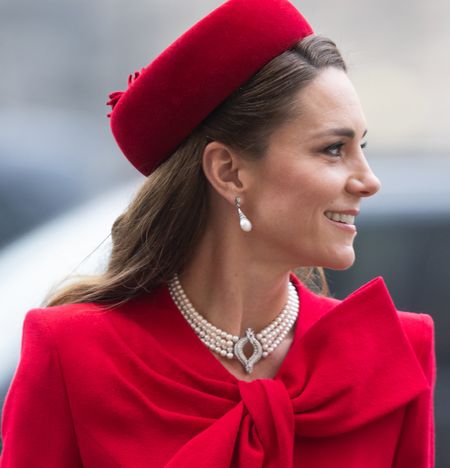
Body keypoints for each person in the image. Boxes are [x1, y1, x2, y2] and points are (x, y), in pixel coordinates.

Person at [0, 0, 436, 466]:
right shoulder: (74, 353)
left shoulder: (392, 352)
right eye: (334, 149)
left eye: (361, 147)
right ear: (228, 171)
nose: (369, 180)